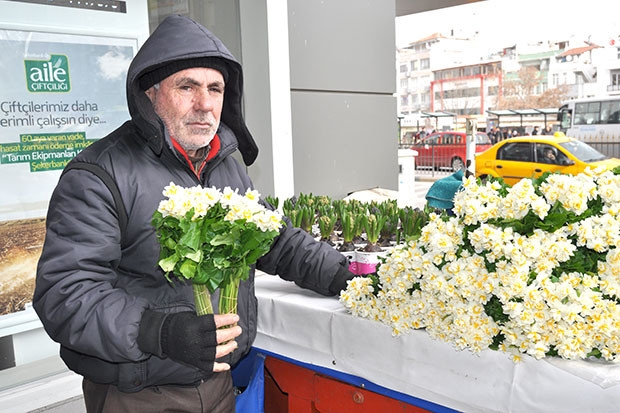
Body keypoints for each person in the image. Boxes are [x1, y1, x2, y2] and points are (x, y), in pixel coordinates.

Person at [33, 14, 355, 413]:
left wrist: (346, 275)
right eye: (187, 86)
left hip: (217, 382)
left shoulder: (225, 165)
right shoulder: (99, 175)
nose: (204, 104)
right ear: (149, 94)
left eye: (215, 89)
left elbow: (275, 238)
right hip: (137, 390)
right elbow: (65, 294)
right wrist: (159, 331)